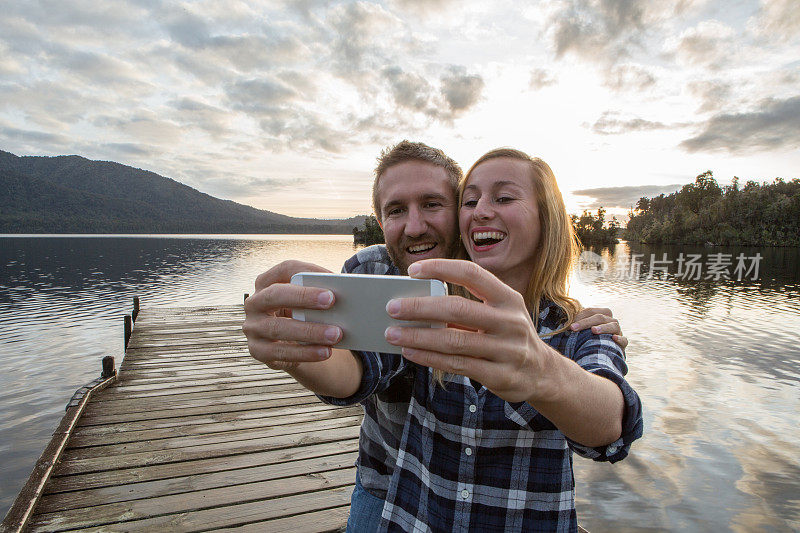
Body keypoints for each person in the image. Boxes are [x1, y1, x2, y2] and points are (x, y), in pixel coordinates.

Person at [242, 142, 635, 531]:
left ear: (547, 217)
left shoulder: (578, 328)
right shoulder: (423, 309)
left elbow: (611, 424)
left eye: (504, 198)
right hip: (398, 497)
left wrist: (542, 371)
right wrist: (297, 346)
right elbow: (363, 367)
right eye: (472, 201)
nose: (482, 211)